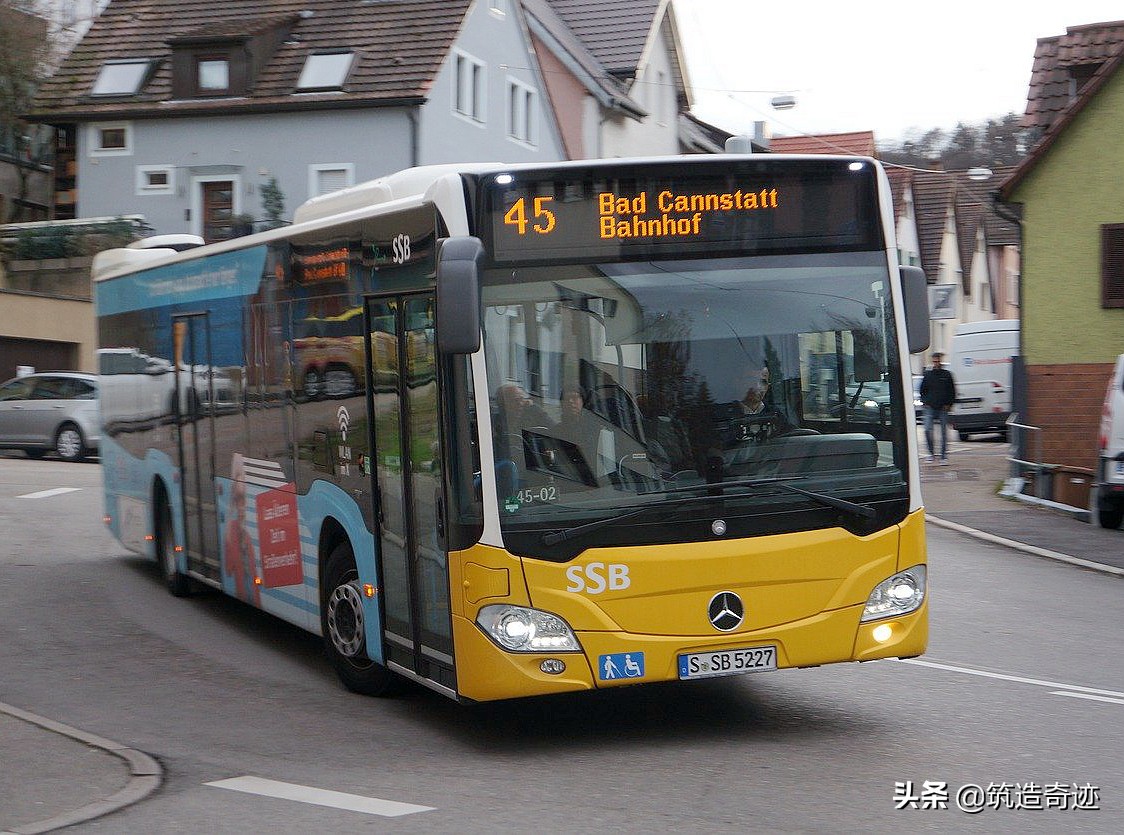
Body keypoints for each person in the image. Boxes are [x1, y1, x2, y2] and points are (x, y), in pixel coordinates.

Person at [919, 351, 957, 464]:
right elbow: (922, 390)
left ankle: (943, 456)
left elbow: (952, 391)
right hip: (930, 407)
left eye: (938, 361)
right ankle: (931, 453)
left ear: (941, 361)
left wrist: (949, 404)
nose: (936, 363)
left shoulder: (947, 375)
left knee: (944, 433)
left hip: (943, 408)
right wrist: (925, 401)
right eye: (934, 361)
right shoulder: (928, 375)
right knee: (927, 430)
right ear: (932, 361)